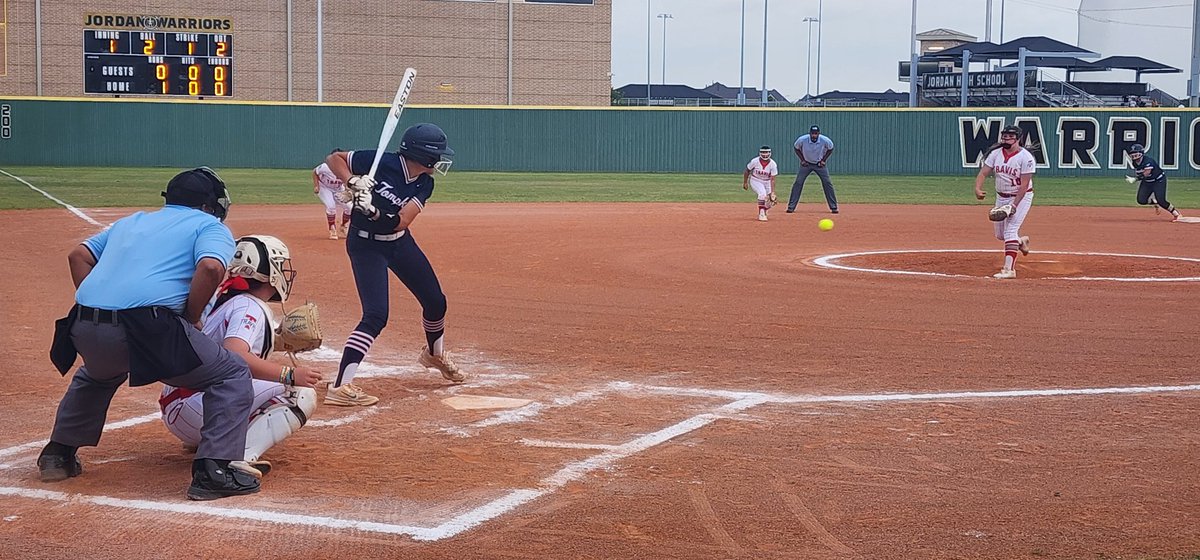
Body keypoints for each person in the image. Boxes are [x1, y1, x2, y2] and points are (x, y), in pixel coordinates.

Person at [41, 167, 261, 501]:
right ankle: (214, 471)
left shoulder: (132, 221)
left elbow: (78, 256)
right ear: (208, 204)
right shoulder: (209, 225)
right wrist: (190, 315)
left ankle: (57, 455)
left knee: (97, 375)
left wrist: (100, 304)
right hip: (148, 327)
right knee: (230, 373)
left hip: (81, 326)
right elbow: (212, 267)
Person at [322, 123, 466, 407]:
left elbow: (401, 220)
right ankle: (340, 386)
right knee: (376, 315)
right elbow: (334, 158)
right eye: (436, 156)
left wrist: (372, 210)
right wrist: (352, 181)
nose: (439, 161)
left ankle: (435, 354)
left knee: (436, 301)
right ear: (423, 155)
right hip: (366, 247)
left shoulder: (425, 183)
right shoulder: (380, 161)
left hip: (398, 242)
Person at [160, 235, 323, 479]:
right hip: (196, 407)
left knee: (246, 379)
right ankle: (237, 456)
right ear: (268, 271)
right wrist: (289, 374)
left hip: (182, 404)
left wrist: (276, 341)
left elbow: (216, 345)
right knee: (299, 394)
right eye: (280, 264)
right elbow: (235, 353)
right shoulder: (250, 306)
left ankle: (209, 441)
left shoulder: (224, 297)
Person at [974, 125, 1036, 279]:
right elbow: (983, 172)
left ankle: (1009, 270)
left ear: (1018, 138)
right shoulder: (996, 154)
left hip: (1021, 197)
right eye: (1005, 136)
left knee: (1010, 231)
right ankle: (1021, 242)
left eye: (1010, 136)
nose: (1006, 138)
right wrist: (977, 188)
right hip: (1001, 197)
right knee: (1001, 235)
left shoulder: (1026, 158)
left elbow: (1024, 184)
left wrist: (1014, 205)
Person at [787, 125, 839, 214]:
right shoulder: (802, 140)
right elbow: (796, 148)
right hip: (806, 164)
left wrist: (823, 160)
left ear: (819, 133)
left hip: (819, 164)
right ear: (810, 133)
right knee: (798, 182)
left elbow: (830, 149)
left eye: (816, 133)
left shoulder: (825, 140)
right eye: (812, 133)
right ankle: (791, 207)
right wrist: (802, 160)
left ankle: (833, 207)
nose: (814, 136)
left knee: (827, 183)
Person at [1126, 143, 1183, 222]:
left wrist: (1135, 179)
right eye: (1132, 153)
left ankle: (1176, 214)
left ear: (1141, 153)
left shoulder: (1148, 161)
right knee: (1141, 200)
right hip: (1147, 182)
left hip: (1158, 180)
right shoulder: (1135, 163)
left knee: (1161, 200)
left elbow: (1147, 173)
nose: (1133, 155)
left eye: (1135, 152)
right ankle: (1154, 201)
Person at [313, 150, 353, 240]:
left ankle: (344, 226)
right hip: (325, 188)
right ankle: (332, 229)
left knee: (350, 207)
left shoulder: (346, 167)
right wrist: (316, 186)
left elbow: (348, 179)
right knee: (331, 206)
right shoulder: (325, 167)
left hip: (338, 188)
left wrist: (348, 189)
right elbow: (315, 172)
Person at [743, 145, 778, 221]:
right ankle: (761, 213)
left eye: (767, 152)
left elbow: (772, 179)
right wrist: (745, 182)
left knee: (771, 201)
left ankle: (765, 209)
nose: (765, 154)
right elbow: (747, 171)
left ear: (770, 153)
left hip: (767, 181)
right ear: (760, 153)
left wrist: (772, 192)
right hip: (756, 180)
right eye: (763, 152)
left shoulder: (773, 164)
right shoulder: (755, 161)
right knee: (762, 194)